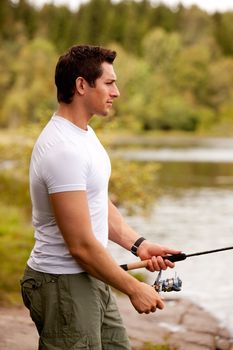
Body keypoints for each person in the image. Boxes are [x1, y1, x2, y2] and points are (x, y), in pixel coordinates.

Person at [20, 44, 181, 350]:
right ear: (81, 85)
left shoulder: (84, 135)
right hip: (63, 284)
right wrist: (134, 288)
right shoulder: (62, 149)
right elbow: (80, 245)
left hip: (92, 275)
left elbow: (96, 202)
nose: (116, 92)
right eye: (109, 83)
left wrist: (140, 246)